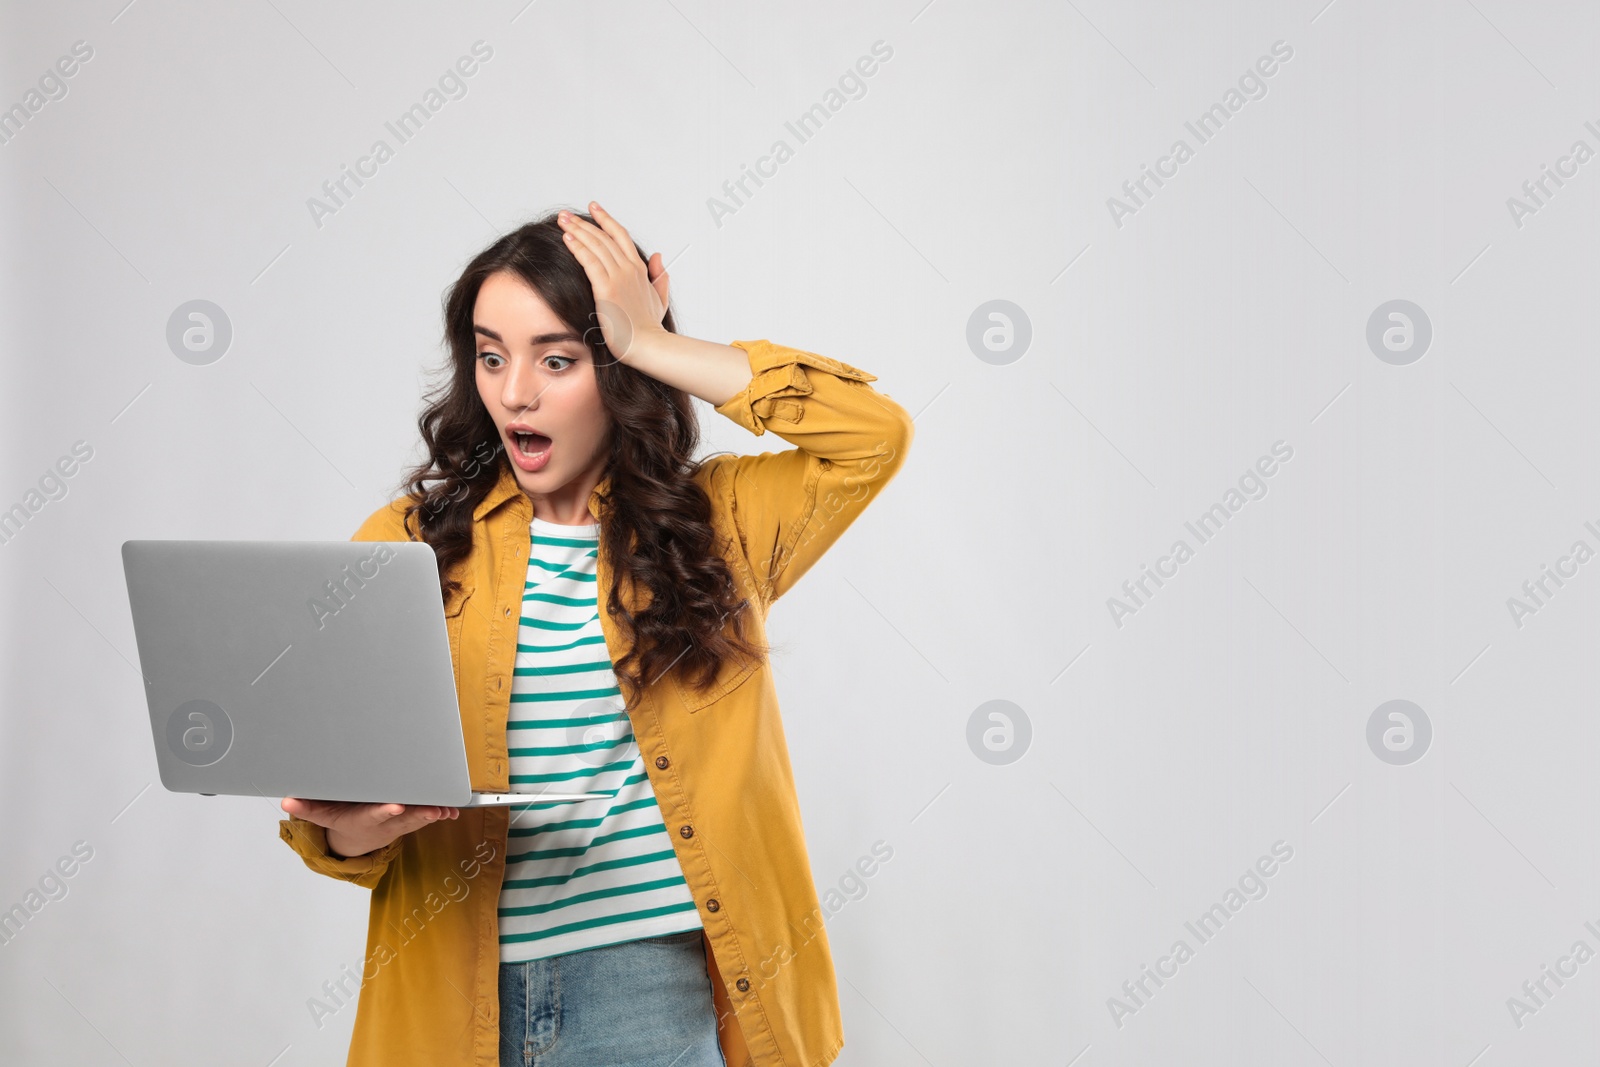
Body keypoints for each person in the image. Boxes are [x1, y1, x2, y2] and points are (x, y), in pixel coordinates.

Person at [278, 202, 914, 1067]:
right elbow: (336, 830)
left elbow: (873, 438)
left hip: (646, 998)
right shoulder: (404, 544)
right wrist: (354, 828)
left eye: (558, 359)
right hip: (448, 1007)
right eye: (492, 355)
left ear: (615, 371)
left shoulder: (718, 526)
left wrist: (654, 342)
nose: (515, 393)